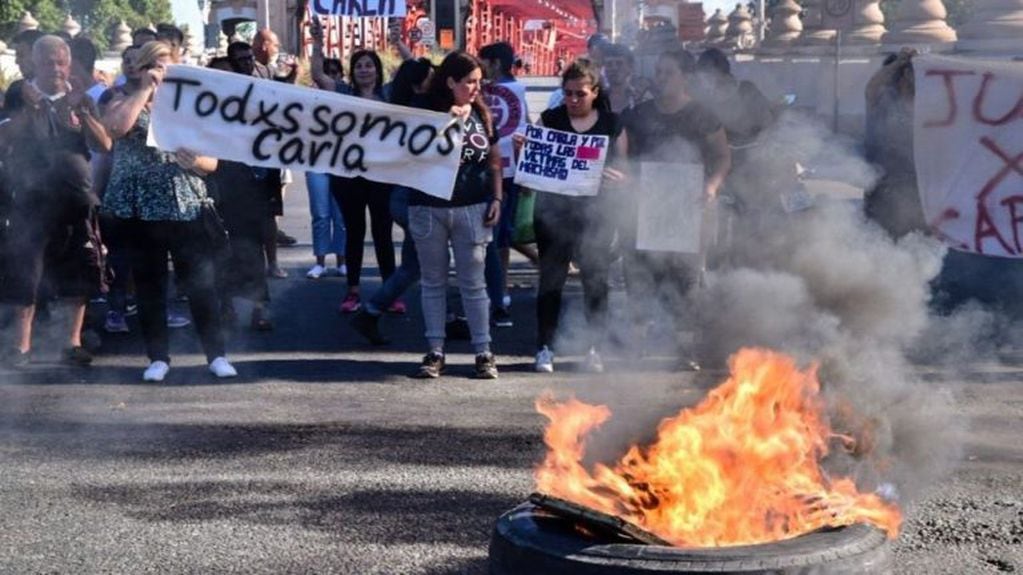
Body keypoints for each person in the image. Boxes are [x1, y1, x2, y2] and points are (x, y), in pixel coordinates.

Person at [101, 40, 235, 382]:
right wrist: (145, 89)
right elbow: (116, 128)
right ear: (141, 68)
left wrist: (197, 161)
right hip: (141, 208)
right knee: (149, 284)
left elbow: (212, 162)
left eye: (167, 65)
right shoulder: (119, 96)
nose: (161, 71)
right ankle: (158, 357)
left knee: (200, 284)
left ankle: (216, 355)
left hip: (185, 203)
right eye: (154, 65)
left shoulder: (190, 106)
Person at [0, 35, 111, 366]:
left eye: (61, 62)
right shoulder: (20, 93)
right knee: (26, 272)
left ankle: (72, 343)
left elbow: (104, 143)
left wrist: (82, 112)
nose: (56, 69)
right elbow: (3, 137)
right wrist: (31, 111)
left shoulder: (80, 95)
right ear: (35, 62)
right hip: (31, 199)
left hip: (76, 199)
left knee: (79, 271)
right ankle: (21, 346)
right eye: (49, 62)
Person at [620, 48, 731, 368]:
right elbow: (621, 153)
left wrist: (711, 187)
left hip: (687, 208)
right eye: (658, 72)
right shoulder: (637, 115)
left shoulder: (702, 116)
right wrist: (626, 178)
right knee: (640, 274)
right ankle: (636, 346)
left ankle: (685, 349)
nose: (661, 78)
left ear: (685, 78)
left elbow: (723, 157)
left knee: (686, 278)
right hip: (643, 205)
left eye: (668, 72)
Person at [518, 59, 628, 374]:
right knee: (551, 281)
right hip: (554, 214)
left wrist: (619, 178)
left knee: (596, 282)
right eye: (567, 93)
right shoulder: (550, 118)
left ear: (594, 92)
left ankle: (595, 348)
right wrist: (525, 147)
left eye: (580, 93)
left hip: (596, 215)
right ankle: (545, 347)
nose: (573, 100)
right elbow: (530, 161)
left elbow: (626, 169)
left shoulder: (611, 123)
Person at [408, 51, 502, 379]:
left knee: (473, 282)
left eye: (479, 82)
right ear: (450, 82)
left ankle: (483, 351)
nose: (476, 88)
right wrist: (444, 121)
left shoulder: (482, 114)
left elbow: (494, 158)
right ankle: (435, 350)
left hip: (472, 206)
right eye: (469, 82)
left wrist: (497, 197)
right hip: (428, 207)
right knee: (433, 281)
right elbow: (408, 151)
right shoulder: (423, 111)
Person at [309, 23, 396, 313]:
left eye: (369, 65)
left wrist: (399, 41)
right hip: (349, 177)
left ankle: (390, 291)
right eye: (359, 65)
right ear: (352, 71)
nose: (364, 70)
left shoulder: (389, 94)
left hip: (382, 175)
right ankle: (353, 291)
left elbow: (414, 71)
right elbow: (318, 75)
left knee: (383, 232)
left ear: (377, 70)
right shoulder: (343, 92)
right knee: (354, 231)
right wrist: (318, 41)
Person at [351, 57, 435, 344]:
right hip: (414, 198)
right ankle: (448, 320)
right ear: (417, 83)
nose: (435, 80)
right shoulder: (423, 112)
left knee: (415, 264)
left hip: (403, 196)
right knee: (434, 259)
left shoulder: (401, 109)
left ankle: (370, 312)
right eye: (430, 76)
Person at [211, 50, 279, 332]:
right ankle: (225, 304)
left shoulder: (256, 101)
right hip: (217, 184)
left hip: (251, 186)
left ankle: (259, 307)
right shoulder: (206, 106)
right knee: (219, 250)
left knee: (251, 248)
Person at [479, 41, 534, 329]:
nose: (480, 66)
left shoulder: (498, 91)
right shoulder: (514, 91)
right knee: (499, 235)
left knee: (498, 234)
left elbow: (524, 125)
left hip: (501, 170)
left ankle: (498, 288)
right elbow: (527, 122)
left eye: (483, 61)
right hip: (506, 169)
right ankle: (499, 288)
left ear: (496, 64)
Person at [863, 49, 923, 239]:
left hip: (915, 186)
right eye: (909, 73)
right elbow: (872, 87)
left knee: (916, 238)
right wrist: (898, 63)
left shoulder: (924, 105)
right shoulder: (883, 100)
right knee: (882, 237)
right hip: (884, 183)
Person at [1, 29, 46, 120]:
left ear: (39, 55)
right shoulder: (15, 89)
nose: (16, 61)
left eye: (21, 55)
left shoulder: (65, 91)